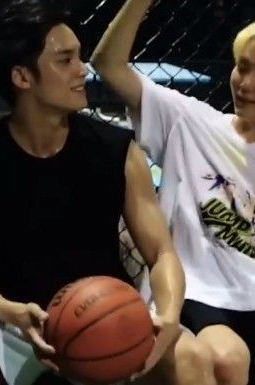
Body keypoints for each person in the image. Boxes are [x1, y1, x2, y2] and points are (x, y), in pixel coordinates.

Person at [0, 1, 216, 384]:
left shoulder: (119, 150)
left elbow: (162, 253)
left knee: (189, 356)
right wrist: (13, 311)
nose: (83, 70)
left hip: (104, 318)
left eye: (80, 57)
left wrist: (166, 315)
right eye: (65, 60)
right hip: (11, 321)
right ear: (22, 77)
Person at [91, 1, 254, 384]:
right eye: (242, 67)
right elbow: (109, 64)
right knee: (225, 357)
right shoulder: (191, 122)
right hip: (198, 295)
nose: (245, 85)